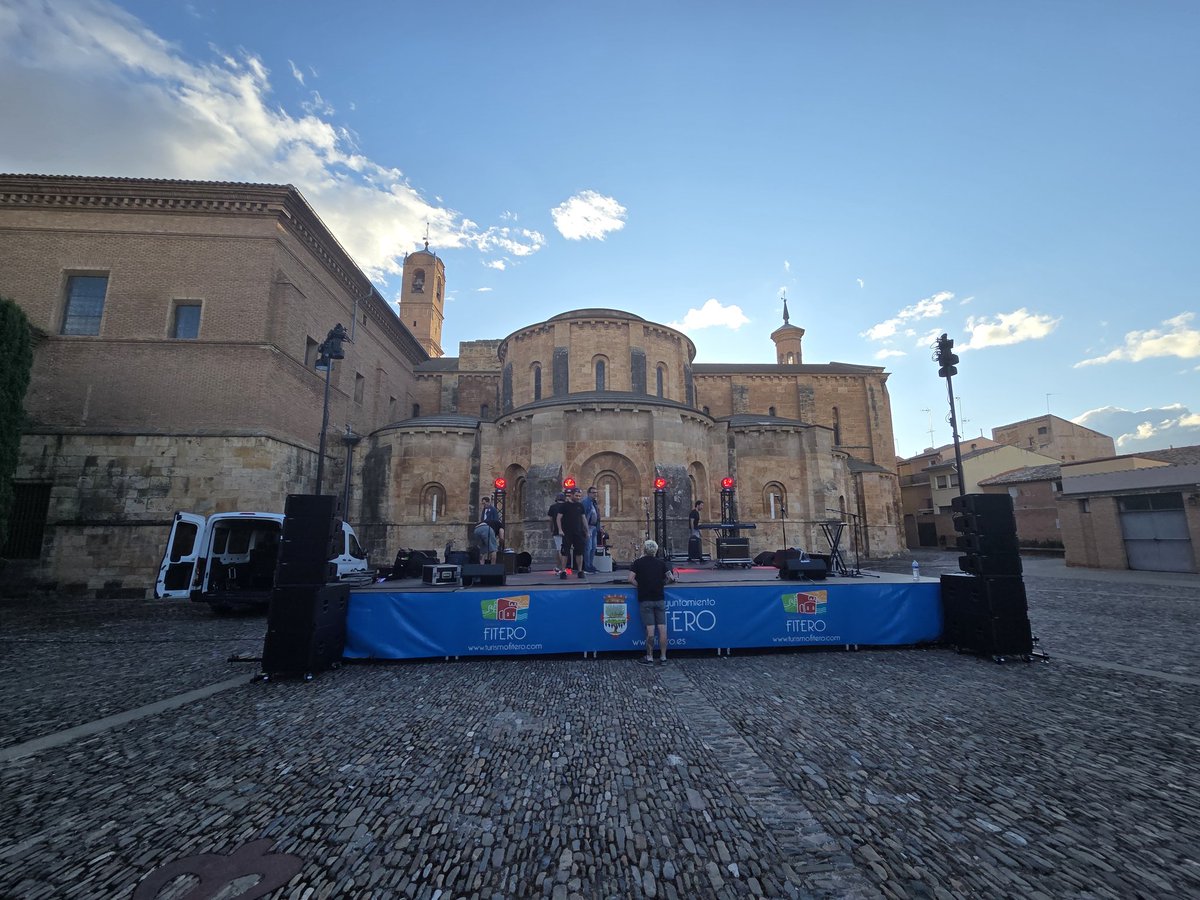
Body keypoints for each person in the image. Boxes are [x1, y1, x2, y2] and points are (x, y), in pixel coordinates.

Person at [629, 539, 675, 665]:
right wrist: (662, 583)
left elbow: (630, 578)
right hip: (659, 598)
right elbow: (671, 577)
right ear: (655, 550)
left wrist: (640, 585)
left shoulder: (637, 563)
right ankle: (663, 657)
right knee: (662, 628)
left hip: (645, 599)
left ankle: (649, 657)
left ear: (644, 550)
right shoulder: (661, 563)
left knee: (650, 629)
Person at [557, 488, 589, 579]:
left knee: (579, 552)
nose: (578, 498)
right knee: (565, 552)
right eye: (576, 496)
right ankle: (563, 571)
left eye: (579, 496)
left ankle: (580, 571)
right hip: (567, 532)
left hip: (578, 532)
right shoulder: (564, 506)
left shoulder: (580, 506)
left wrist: (587, 531)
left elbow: (583, 519)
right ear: (571, 495)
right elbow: (558, 518)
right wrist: (560, 529)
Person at [547, 492, 568, 575]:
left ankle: (562, 568)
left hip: (557, 530)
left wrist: (550, 529)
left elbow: (551, 520)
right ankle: (559, 566)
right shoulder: (567, 507)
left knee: (559, 549)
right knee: (563, 549)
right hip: (567, 531)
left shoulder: (553, 507)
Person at [582, 486, 602, 573]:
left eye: (596, 493)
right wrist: (585, 529)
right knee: (588, 547)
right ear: (589, 493)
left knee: (593, 547)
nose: (595, 494)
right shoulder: (586, 502)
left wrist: (599, 527)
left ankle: (591, 564)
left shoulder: (594, 503)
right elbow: (583, 517)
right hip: (588, 527)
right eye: (593, 493)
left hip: (594, 527)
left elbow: (597, 515)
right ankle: (587, 566)